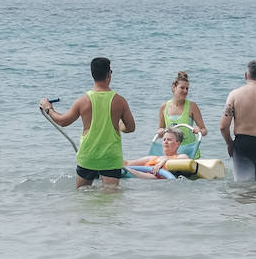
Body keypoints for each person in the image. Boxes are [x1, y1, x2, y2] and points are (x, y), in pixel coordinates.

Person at [41, 56, 136, 191]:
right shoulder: (119, 101)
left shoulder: (83, 100)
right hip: (110, 158)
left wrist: (48, 108)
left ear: (92, 75)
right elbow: (131, 127)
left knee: (82, 198)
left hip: (88, 157)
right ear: (109, 74)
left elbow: (63, 121)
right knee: (111, 202)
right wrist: (119, 126)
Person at [157, 71, 207, 155]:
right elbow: (161, 130)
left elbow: (204, 130)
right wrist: (160, 131)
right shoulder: (164, 107)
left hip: (190, 153)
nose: (185, 91)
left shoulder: (192, 106)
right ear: (174, 87)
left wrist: (200, 131)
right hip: (171, 153)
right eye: (182, 88)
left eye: (187, 88)